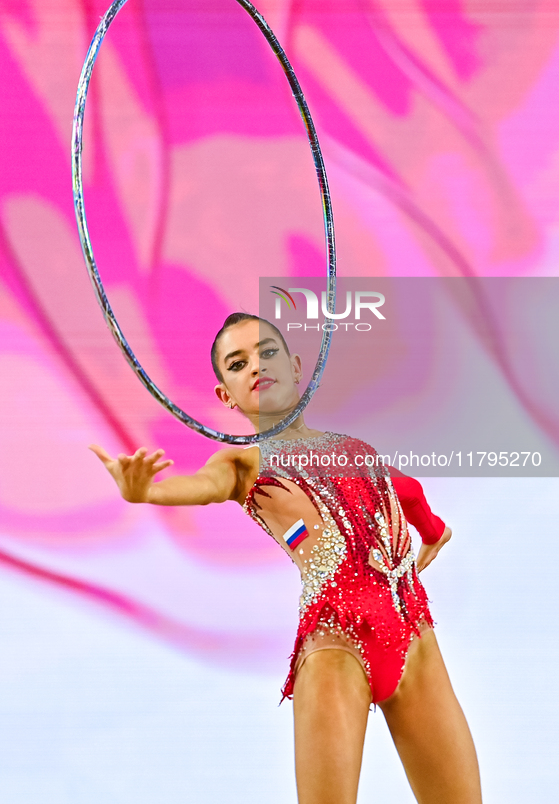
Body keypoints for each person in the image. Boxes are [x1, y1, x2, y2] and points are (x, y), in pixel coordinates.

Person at [91, 312, 482, 804]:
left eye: (267, 351)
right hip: (337, 649)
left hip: (415, 639)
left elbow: (407, 489)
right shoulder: (243, 463)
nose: (256, 365)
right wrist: (148, 492)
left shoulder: (352, 449)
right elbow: (204, 488)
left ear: (298, 366)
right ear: (226, 395)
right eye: (238, 363)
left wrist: (433, 532)